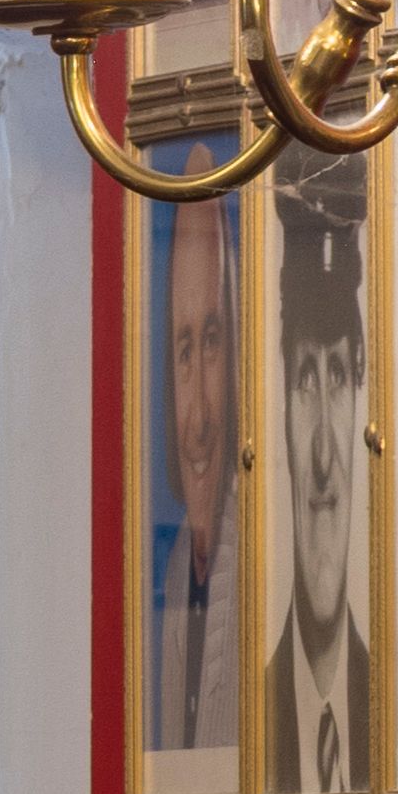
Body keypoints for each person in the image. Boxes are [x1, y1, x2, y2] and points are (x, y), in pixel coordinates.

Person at [269, 196, 369, 794]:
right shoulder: (254, 720)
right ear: (282, 415)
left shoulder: (389, 712)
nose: (325, 458)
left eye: (338, 377)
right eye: (306, 379)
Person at [154, 207, 243, 758]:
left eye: (212, 342)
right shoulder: (176, 566)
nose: (200, 417)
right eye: (185, 352)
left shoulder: (261, 568)